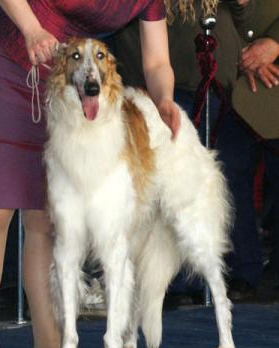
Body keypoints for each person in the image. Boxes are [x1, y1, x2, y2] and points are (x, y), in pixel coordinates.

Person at [0, 0, 180, 348]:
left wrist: (164, 99)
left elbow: (156, 63)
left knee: (47, 223)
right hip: (10, 68)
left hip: (74, 98)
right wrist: (32, 28)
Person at [113, 0, 263, 302]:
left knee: (229, 173)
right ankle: (175, 280)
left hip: (219, 81)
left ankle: (238, 271)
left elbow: (245, 13)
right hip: (155, 85)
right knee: (166, 184)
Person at [232, 0, 279, 292]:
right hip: (225, 81)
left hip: (274, 75)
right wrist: (233, 56)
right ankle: (241, 268)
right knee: (230, 171)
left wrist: (275, 43)